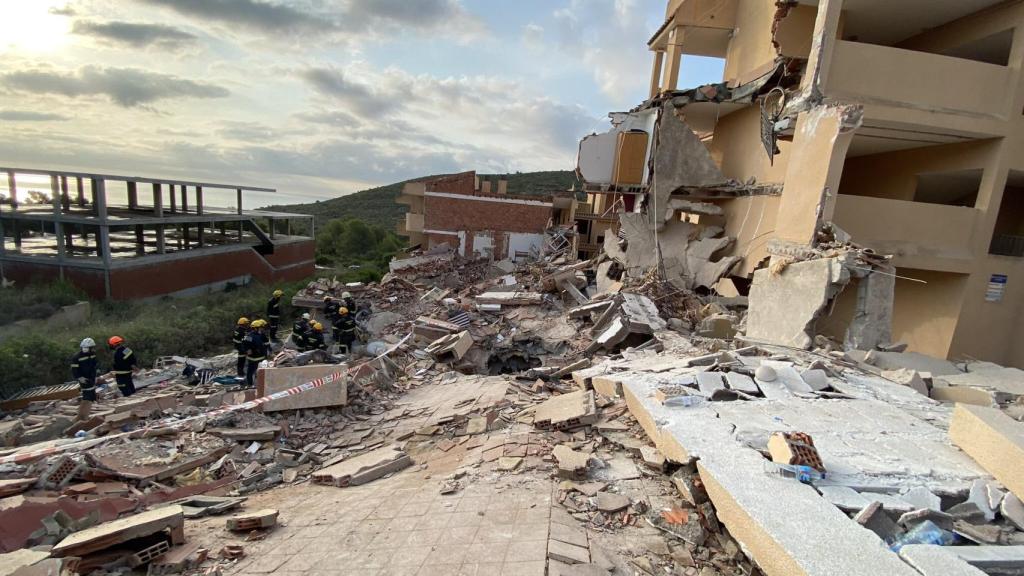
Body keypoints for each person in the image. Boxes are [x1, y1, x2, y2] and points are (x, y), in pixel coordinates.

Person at [70, 338, 98, 420]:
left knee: (92, 392)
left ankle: (89, 410)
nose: (92, 349)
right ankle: (83, 415)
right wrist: (79, 377)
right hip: (83, 378)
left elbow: (95, 364)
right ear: (85, 348)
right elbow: (74, 370)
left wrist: (96, 373)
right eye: (91, 347)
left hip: (92, 376)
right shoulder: (76, 357)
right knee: (87, 394)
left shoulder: (92, 354)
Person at [244, 319, 271, 387]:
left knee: (259, 372)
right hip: (253, 358)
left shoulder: (261, 335)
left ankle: (260, 384)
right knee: (251, 372)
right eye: (260, 328)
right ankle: (250, 384)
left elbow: (266, 342)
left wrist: (269, 350)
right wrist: (248, 350)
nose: (261, 329)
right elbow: (245, 345)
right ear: (255, 328)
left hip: (261, 357)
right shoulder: (249, 336)